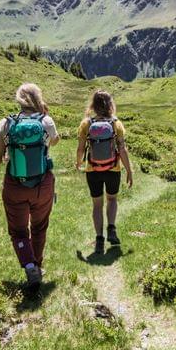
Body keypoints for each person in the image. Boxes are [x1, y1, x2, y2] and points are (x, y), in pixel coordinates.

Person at [0, 83, 60, 288]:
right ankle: (38, 266)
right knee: (39, 227)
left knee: (19, 231)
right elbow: (54, 141)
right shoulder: (46, 121)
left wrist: (7, 155)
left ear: (19, 100)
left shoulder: (6, 123)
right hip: (42, 184)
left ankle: (29, 265)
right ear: (39, 98)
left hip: (15, 185)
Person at [76, 90, 133, 254]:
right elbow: (122, 149)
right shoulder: (116, 123)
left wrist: (79, 163)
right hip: (113, 169)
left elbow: (80, 149)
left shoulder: (86, 124)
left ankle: (99, 239)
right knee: (112, 199)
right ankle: (112, 229)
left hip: (92, 169)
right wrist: (129, 170)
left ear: (93, 105)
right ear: (110, 105)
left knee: (97, 205)